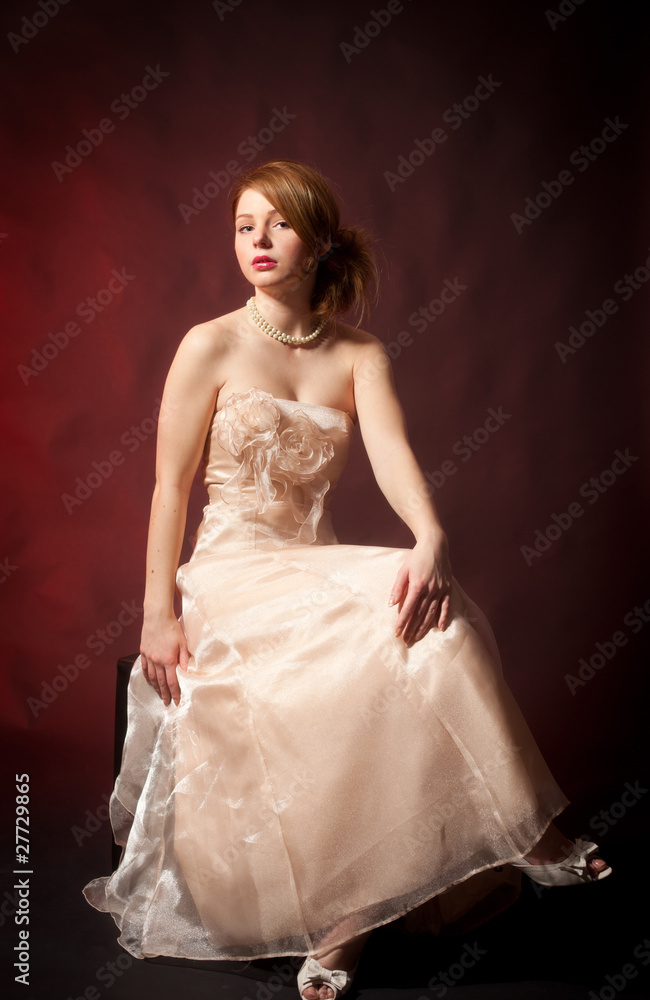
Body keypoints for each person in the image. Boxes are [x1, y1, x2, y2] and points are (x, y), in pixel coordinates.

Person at [83, 159, 611, 1000]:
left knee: (429, 613)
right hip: (230, 572)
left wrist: (431, 535)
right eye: (243, 226)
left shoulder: (360, 353)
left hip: (311, 564)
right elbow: (168, 488)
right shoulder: (209, 344)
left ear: (320, 241)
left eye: (278, 224)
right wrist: (158, 613)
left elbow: (393, 457)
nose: (257, 240)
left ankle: (362, 920)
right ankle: (532, 840)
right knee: (397, 615)